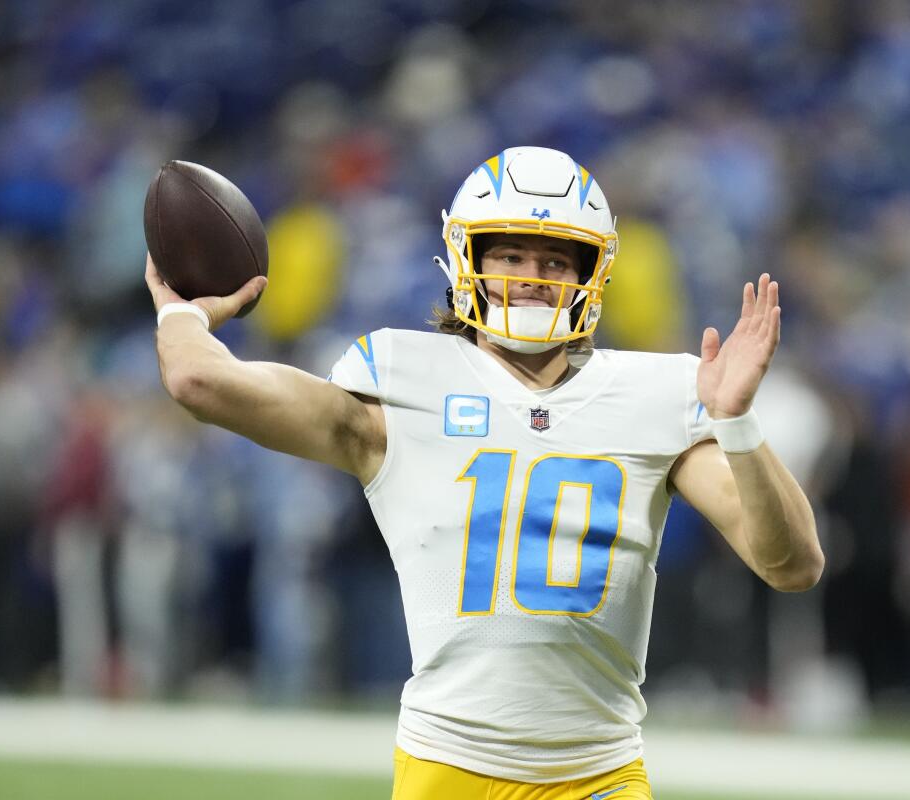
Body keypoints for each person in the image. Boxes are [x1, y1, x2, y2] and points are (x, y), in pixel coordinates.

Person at [147, 146, 822, 799]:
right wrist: (184, 311)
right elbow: (199, 382)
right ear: (466, 257)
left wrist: (736, 425)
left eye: (557, 258)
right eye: (511, 254)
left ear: (593, 273)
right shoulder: (404, 383)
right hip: (449, 768)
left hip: (598, 775)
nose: (531, 274)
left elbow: (791, 564)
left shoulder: (656, 393)